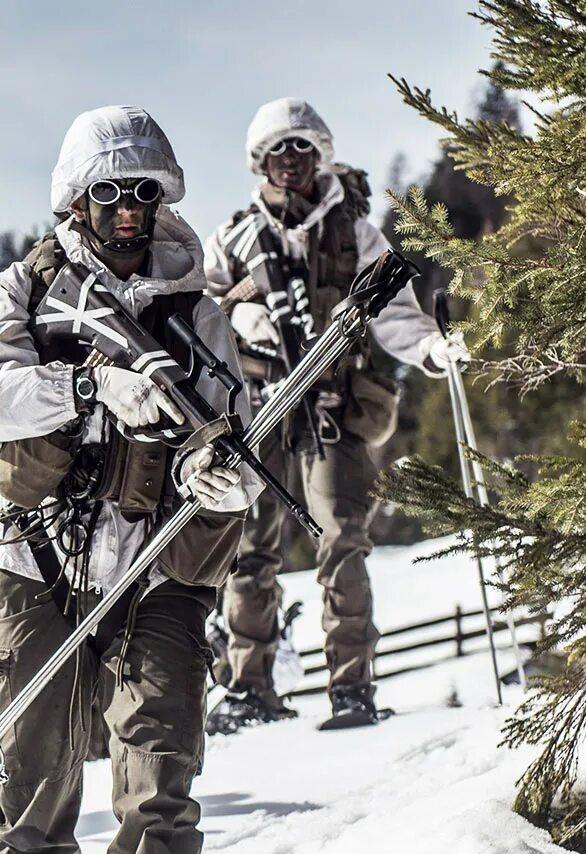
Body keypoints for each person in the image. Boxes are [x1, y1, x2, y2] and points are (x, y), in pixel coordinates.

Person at [0, 106, 250, 854]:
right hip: (32, 580)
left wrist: (217, 471)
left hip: (154, 586)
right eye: (109, 192)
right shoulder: (18, 293)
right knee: (30, 823)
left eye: (143, 191)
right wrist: (88, 383)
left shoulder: (194, 306)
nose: (127, 211)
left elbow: (236, 421)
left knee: (155, 810)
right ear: (73, 197)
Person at [203, 97, 467, 733]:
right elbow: (198, 317)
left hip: (332, 407)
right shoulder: (233, 238)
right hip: (255, 410)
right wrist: (236, 316)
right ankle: (247, 689)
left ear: (319, 154)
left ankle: (352, 688)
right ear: (258, 161)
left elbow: (397, 315)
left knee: (343, 538)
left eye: (301, 148)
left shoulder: (355, 234)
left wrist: (432, 346)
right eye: (277, 150)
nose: (289, 161)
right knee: (248, 550)